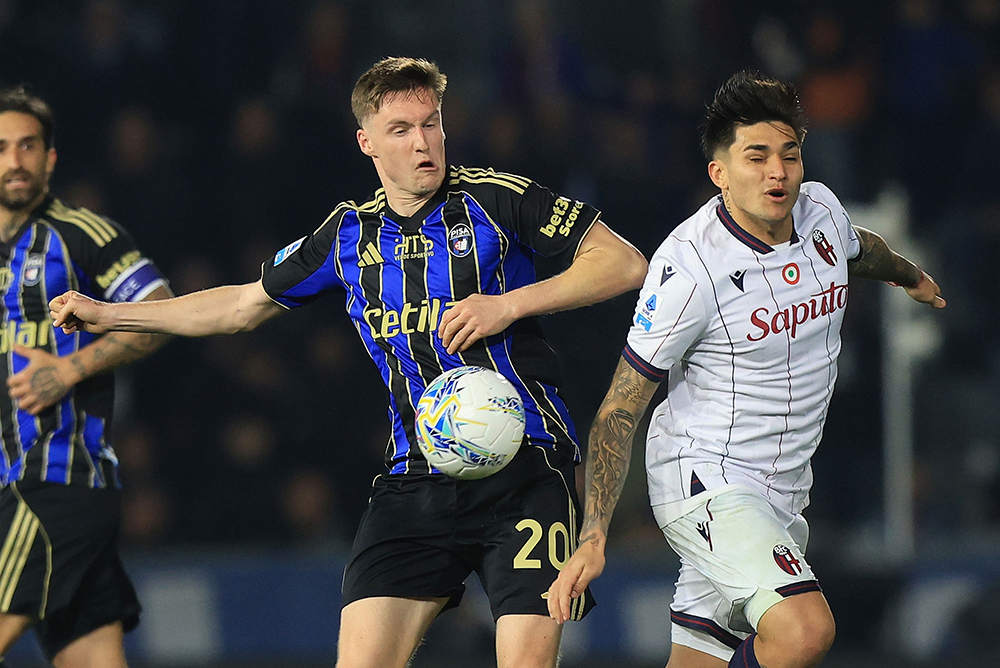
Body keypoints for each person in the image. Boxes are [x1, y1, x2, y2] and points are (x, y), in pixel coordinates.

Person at [48, 57, 648, 668]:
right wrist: (110, 313)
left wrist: (508, 304)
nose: (422, 142)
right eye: (401, 130)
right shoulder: (347, 236)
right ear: (367, 143)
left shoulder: (497, 198)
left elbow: (624, 264)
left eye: (431, 124)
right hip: (417, 478)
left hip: (525, 466)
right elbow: (239, 307)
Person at [547, 70, 945, 668]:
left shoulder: (821, 213)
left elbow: (858, 248)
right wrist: (594, 534)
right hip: (705, 480)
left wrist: (910, 276)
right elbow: (620, 407)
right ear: (720, 173)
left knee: (702, 658)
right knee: (804, 631)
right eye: (756, 157)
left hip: (783, 489)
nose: (777, 173)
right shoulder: (690, 268)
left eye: (789, 155)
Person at [0, 87, 172, 667]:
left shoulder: (82, 235)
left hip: (54, 482)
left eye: (28, 146)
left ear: (50, 158)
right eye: (1, 147)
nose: (15, 160)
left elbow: (159, 311)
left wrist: (70, 368)